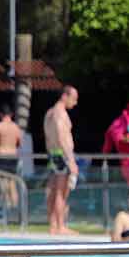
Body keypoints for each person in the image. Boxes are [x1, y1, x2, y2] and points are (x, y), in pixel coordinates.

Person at [42, 85, 79, 236]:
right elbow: (62, 136)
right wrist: (71, 160)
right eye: (74, 98)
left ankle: (53, 225)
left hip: (53, 153)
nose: (75, 102)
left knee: (52, 190)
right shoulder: (60, 113)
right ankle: (60, 225)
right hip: (62, 155)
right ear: (65, 96)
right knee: (61, 192)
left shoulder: (49, 112)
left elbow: (48, 137)